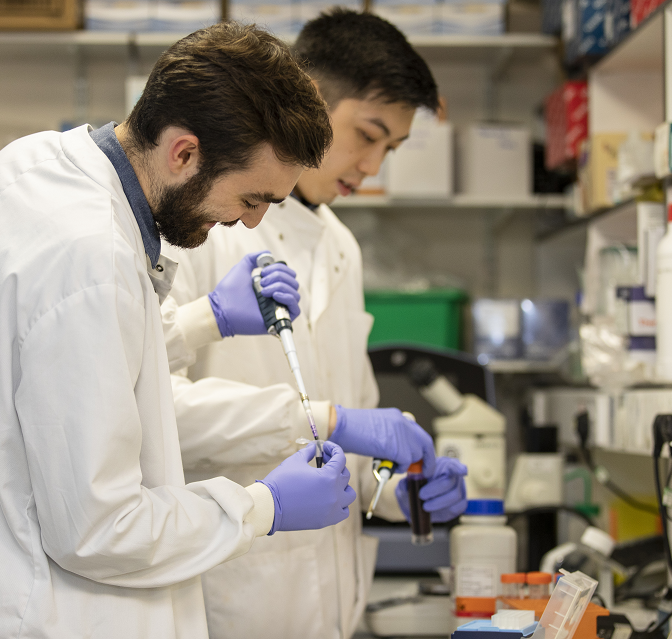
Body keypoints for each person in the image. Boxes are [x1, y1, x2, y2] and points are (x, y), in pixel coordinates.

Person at [0, 23, 355, 639]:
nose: (249, 224)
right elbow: (100, 528)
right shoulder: (90, 257)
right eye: (252, 198)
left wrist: (204, 321)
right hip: (37, 612)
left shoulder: (36, 164)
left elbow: (45, 355)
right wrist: (262, 508)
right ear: (183, 153)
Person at [160, 10, 468, 639]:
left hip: (332, 606)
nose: (374, 166)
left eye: (392, 148)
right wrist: (326, 420)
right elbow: (155, 412)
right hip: (226, 593)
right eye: (368, 135)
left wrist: (397, 485)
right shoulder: (201, 223)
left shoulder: (339, 245)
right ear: (310, 99)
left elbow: (352, 433)